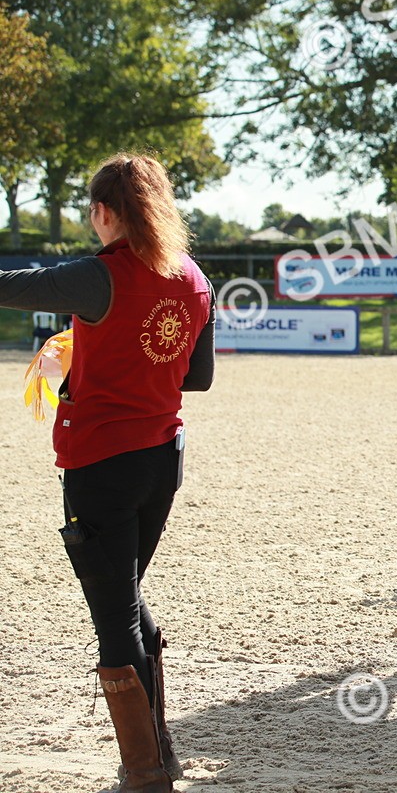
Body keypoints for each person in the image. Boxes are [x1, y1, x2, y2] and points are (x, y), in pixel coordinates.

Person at [0, 153, 214, 792]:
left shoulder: (99, 276)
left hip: (101, 462)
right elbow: (196, 377)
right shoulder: (192, 275)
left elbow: (13, 284)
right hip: (162, 458)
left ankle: (145, 773)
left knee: (115, 614)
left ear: (104, 213)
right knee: (126, 597)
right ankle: (159, 753)